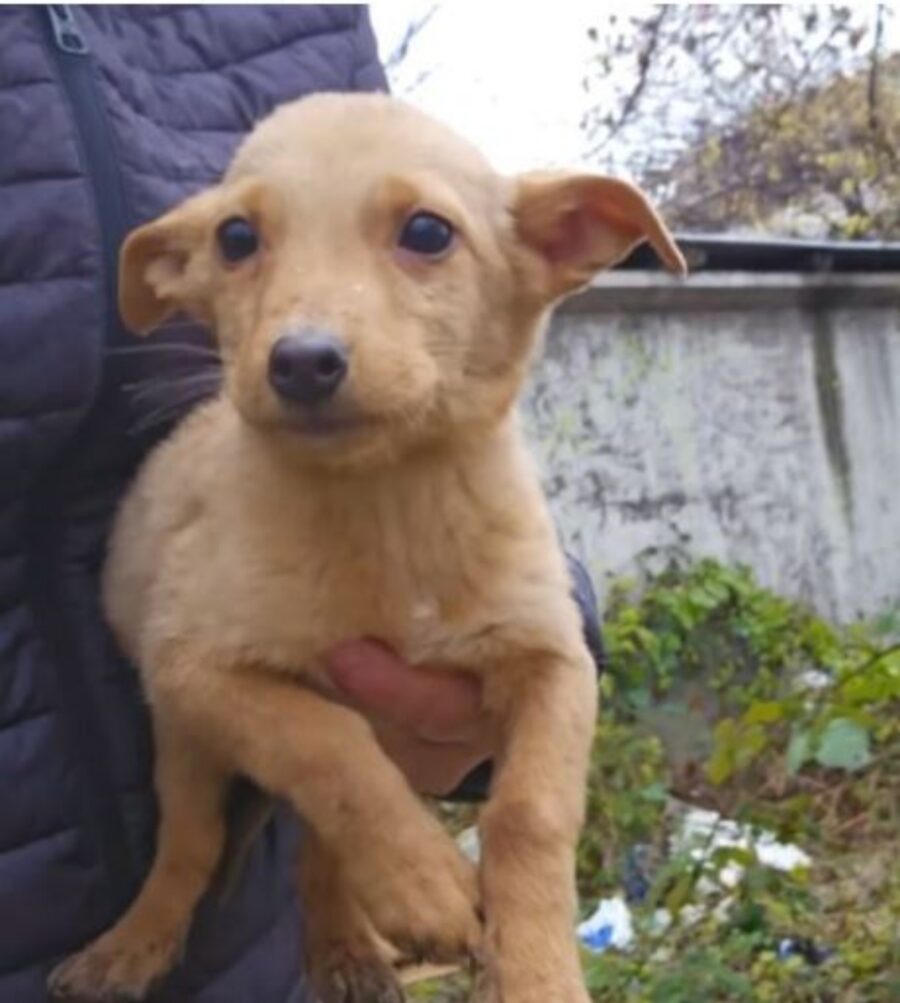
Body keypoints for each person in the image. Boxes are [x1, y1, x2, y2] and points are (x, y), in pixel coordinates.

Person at [0, 6, 604, 1001]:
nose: (306, 335)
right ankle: (187, 900)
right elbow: (193, 661)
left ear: (557, 245)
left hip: (252, 958)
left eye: (421, 233)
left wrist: (522, 853)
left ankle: (328, 920)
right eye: (243, 242)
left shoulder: (297, 16)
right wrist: (365, 801)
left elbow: (548, 658)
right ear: (180, 268)